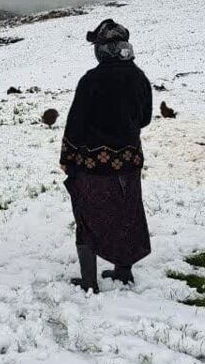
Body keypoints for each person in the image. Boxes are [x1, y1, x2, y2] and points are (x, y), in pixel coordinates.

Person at [61, 19, 153, 293]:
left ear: (101, 50)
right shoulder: (139, 77)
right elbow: (145, 119)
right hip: (129, 160)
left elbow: (75, 124)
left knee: (87, 216)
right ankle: (124, 271)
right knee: (127, 212)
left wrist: (67, 156)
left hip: (92, 164)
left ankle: (89, 281)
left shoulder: (91, 80)